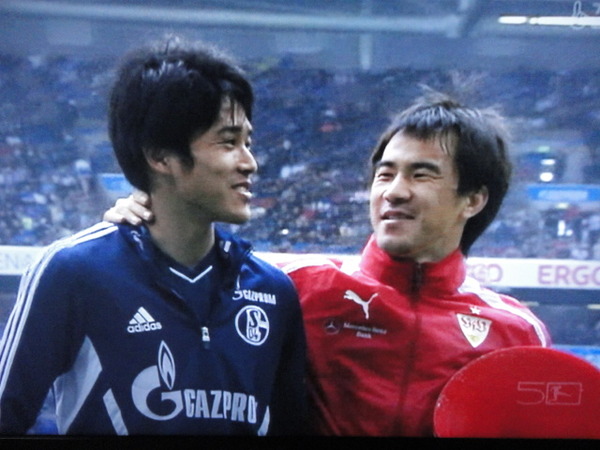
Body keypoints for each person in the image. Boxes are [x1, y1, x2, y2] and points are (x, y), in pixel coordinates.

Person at [104, 91, 551, 436]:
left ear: (473, 199)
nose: (394, 191)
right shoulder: (297, 287)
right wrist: (150, 217)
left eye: (421, 174)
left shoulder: (518, 334)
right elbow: (177, 280)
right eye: (385, 174)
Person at [0, 36, 307, 436]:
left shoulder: (273, 292)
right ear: (160, 155)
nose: (250, 163)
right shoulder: (74, 273)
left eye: (248, 143)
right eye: (229, 142)